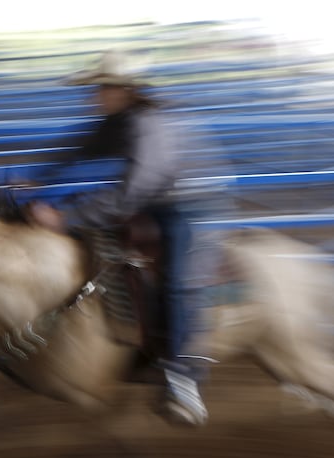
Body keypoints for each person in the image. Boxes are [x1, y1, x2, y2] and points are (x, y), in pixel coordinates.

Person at [28, 50, 209, 427]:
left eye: (101, 88)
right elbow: (75, 148)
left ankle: (182, 378)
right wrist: (36, 179)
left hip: (184, 205)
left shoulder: (151, 125)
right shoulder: (116, 120)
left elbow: (134, 190)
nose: (93, 96)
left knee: (176, 282)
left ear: (124, 90)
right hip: (150, 201)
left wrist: (67, 217)